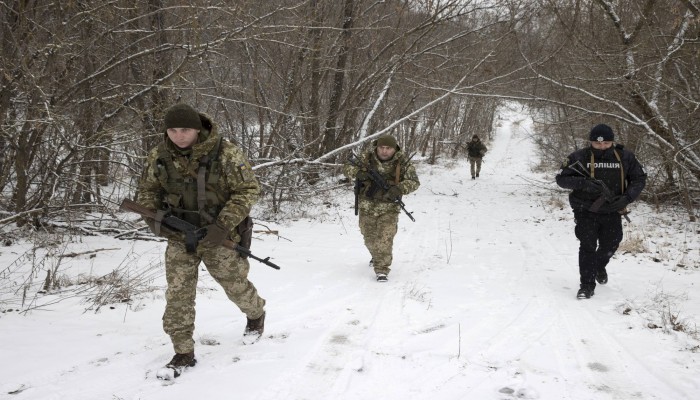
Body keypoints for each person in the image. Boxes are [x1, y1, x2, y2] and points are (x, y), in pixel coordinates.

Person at [137, 103, 266, 374]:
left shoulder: (226, 153)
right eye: (172, 130)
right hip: (179, 236)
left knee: (235, 285)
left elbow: (248, 190)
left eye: (185, 130)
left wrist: (223, 224)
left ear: (197, 129)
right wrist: (155, 221)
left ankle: (256, 315)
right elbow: (148, 191)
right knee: (178, 294)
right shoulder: (159, 156)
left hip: (219, 236)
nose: (178, 136)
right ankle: (183, 352)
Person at [555, 124, 646, 299]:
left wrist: (627, 198)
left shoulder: (625, 157)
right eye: (598, 144)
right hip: (585, 209)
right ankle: (587, 285)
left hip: (612, 209)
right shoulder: (579, 157)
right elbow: (561, 179)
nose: (602, 146)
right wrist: (584, 184)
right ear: (591, 142)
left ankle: (598, 266)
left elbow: (639, 178)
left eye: (606, 143)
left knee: (611, 243)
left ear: (612, 141)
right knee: (588, 245)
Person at [343, 135, 420, 282]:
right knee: (368, 238)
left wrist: (398, 189)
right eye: (381, 148)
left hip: (389, 208)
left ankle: (382, 269)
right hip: (367, 206)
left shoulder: (402, 162)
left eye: (388, 148)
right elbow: (347, 168)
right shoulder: (366, 157)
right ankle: (376, 255)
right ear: (377, 147)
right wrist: (358, 173)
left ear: (394, 148)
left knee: (385, 238)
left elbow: (414, 182)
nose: (384, 151)